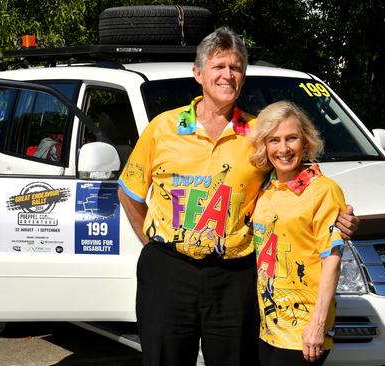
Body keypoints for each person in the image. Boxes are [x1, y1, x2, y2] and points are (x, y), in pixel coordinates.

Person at [117, 27, 358, 366]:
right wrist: (153, 246)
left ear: (243, 77)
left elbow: (299, 180)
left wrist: (341, 216)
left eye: (236, 67)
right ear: (198, 73)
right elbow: (128, 192)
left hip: (234, 278)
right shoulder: (163, 129)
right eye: (218, 66)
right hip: (168, 273)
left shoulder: (260, 134)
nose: (227, 75)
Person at [248, 101, 344, 366]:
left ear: (306, 141)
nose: (284, 149)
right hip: (268, 326)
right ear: (264, 145)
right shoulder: (265, 188)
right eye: (274, 140)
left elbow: (332, 260)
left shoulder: (323, 189)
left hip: (303, 327)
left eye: (292, 138)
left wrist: (317, 324)